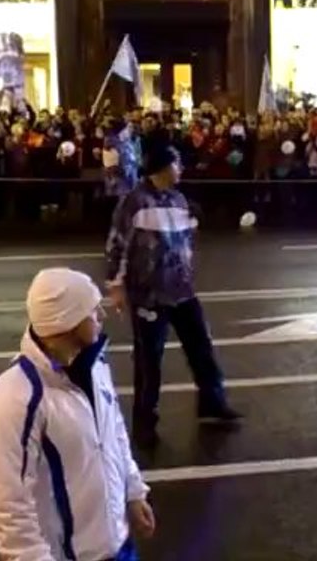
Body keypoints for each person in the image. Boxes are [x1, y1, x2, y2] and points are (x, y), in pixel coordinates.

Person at [0, 268, 155, 561]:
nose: (102, 314)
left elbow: (115, 433)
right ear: (66, 321)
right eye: (91, 309)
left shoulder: (95, 364)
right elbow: (7, 502)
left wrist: (133, 491)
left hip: (118, 545)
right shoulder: (15, 397)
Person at [106, 137, 241, 440]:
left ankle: (212, 402)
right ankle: (144, 421)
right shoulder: (135, 202)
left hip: (182, 290)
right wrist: (116, 285)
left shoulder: (179, 200)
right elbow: (116, 244)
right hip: (149, 294)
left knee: (201, 347)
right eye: (176, 163)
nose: (181, 168)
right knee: (149, 360)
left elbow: (186, 242)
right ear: (163, 167)